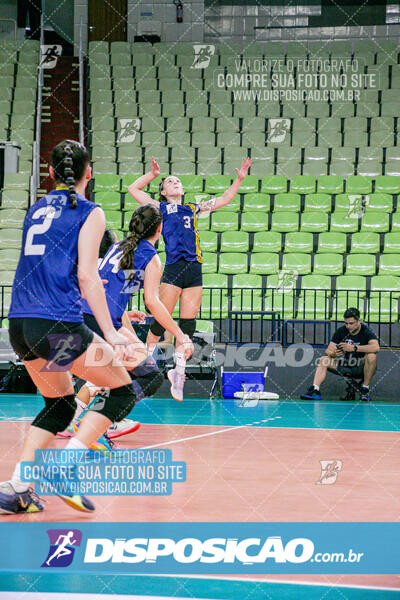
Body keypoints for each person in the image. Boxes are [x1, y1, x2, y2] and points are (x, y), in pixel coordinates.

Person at [0, 140, 165, 515]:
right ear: (88, 174)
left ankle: (17, 488)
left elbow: (48, 267)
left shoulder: (35, 208)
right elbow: (87, 275)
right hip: (58, 324)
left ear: (52, 173)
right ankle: (64, 467)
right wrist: (111, 333)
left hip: (22, 324)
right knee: (124, 389)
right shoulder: (90, 212)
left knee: (59, 406)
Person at [128, 156, 252, 400]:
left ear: (182, 190)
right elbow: (134, 189)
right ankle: (141, 365)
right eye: (170, 182)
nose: (175, 183)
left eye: (178, 181)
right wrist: (153, 174)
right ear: (163, 192)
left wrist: (239, 179)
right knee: (160, 321)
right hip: (174, 268)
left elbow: (225, 199)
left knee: (188, 323)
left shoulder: (194, 208)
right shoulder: (159, 208)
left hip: (194, 267)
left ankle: (178, 372)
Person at [300, 308, 380, 402]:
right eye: (346, 323)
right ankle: (315, 390)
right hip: (346, 364)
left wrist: (354, 348)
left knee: (372, 356)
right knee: (324, 359)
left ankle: (364, 390)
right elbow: (328, 351)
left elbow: (376, 347)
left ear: (359, 321)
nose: (348, 326)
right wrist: (334, 354)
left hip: (361, 366)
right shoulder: (341, 331)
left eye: (351, 323)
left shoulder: (366, 331)